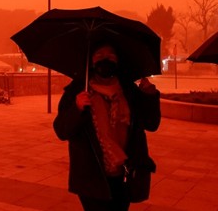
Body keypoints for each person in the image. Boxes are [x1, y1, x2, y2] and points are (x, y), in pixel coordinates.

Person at [53, 42, 161, 210]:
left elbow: (152, 123)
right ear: (91, 60)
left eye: (111, 55)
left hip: (125, 174)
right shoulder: (78, 90)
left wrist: (149, 95)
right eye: (99, 55)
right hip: (91, 176)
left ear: (118, 60)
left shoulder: (128, 90)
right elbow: (61, 130)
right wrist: (77, 108)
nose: (105, 59)